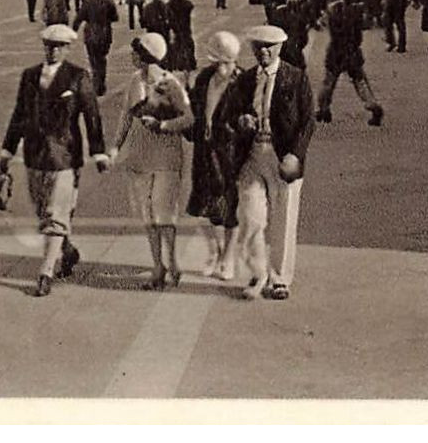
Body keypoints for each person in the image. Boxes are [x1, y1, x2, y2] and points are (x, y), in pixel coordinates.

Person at [0, 24, 111, 297]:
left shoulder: (78, 76)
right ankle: (67, 251)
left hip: (65, 156)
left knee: (55, 215)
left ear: (67, 48)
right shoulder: (29, 76)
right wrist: (6, 152)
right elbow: (19, 116)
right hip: (34, 155)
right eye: (49, 45)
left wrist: (99, 152)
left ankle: (46, 272)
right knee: (42, 213)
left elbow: (92, 116)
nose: (53, 50)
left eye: (59, 46)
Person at [211, 24, 315, 300]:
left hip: (283, 157)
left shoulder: (296, 78)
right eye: (258, 47)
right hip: (252, 156)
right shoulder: (245, 81)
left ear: (279, 48)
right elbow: (228, 115)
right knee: (251, 218)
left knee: (284, 219)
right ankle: (258, 272)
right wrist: (240, 120)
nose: (263, 52)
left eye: (268, 47)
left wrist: (296, 153)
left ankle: (279, 279)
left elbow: (308, 121)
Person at [113, 32, 193, 289]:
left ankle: (172, 260)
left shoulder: (171, 83)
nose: (132, 57)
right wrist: (115, 146)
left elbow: (189, 118)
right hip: (139, 155)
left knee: (165, 213)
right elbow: (126, 116)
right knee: (147, 215)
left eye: (135, 53)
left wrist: (163, 124)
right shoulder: (134, 81)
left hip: (167, 157)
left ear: (145, 56)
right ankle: (157, 266)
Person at [187, 31, 242, 276]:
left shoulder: (242, 83)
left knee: (231, 208)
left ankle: (229, 258)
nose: (221, 67)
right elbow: (194, 110)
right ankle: (216, 251)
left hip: (229, 153)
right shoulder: (204, 78)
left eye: (226, 63)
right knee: (204, 205)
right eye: (217, 62)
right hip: (204, 151)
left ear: (234, 60)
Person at [317, 0, 385, 127]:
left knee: (329, 82)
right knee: (360, 81)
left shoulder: (329, 13)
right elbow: (361, 30)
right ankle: (372, 104)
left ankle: (324, 109)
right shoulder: (353, 10)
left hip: (336, 52)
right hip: (352, 51)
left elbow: (323, 25)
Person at [72, 0, 119, 97]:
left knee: (93, 59)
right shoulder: (108, 1)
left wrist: (74, 30)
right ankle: (101, 83)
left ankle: (97, 82)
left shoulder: (88, 2)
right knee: (102, 59)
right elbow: (115, 17)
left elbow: (78, 18)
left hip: (91, 34)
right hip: (105, 34)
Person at [164, 0, 197, 78]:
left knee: (177, 46)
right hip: (185, 28)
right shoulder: (187, 4)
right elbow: (191, 6)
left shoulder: (171, 4)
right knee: (188, 44)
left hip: (176, 28)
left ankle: (177, 63)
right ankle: (190, 62)